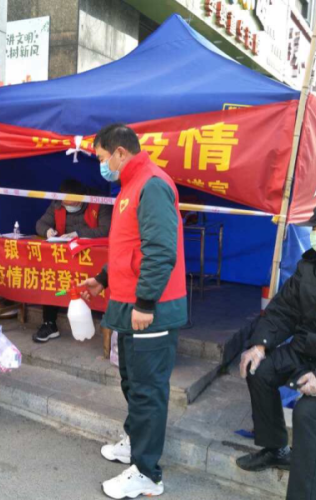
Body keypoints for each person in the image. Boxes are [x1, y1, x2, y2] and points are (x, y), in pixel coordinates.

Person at [82, 124, 187, 499]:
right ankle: (136, 440)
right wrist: (102, 279)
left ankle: (147, 473)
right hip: (127, 306)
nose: (101, 166)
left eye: (101, 158)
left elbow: (160, 250)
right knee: (131, 381)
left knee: (147, 390)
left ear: (120, 153)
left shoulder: (152, 185)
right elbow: (128, 247)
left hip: (150, 310)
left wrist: (145, 302)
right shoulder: (129, 186)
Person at [237, 206, 316, 500]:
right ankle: (276, 448)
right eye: (315, 228)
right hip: (304, 349)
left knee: (307, 412)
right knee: (259, 370)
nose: (315, 234)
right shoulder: (310, 266)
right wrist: (260, 345)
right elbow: (284, 310)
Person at [33, 178, 112, 343]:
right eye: (65, 203)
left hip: (93, 259)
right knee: (52, 279)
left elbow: (106, 229)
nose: (68, 206)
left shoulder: (98, 201)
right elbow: (40, 223)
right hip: (65, 258)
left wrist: (78, 234)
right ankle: (49, 323)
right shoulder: (58, 202)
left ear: (82, 198)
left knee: (98, 284)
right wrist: (47, 231)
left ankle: (108, 326)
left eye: (72, 203)